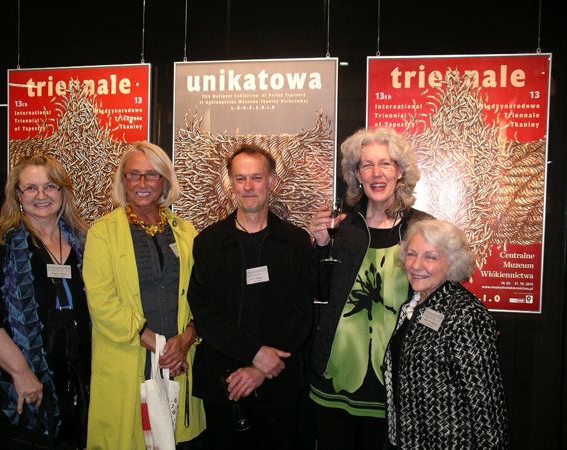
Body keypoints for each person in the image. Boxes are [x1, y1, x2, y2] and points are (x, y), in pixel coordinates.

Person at [308, 127, 431, 449]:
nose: (377, 173)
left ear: (400, 171)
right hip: (336, 376)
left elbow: (437, 301)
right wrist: (320, 247)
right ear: (357, 175)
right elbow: (318, 292)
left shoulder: (423, 229)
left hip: (395, 382)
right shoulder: (342, 228)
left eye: (385, 164)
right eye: (367, 165)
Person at [187, 143, 313, 450]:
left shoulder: (296, 242)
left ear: (271, 181)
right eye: (240, 178)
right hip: (225, 385)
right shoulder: (209, 243)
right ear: (230, 182)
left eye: (256, 178)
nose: (248, 186)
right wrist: (254, 352)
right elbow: (204, 311)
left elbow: (302, 311)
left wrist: (260, 368)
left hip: (279, 384)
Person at [83, 142, 205, 449]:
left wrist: (185, 339)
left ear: (164, 180)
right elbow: (102, 301)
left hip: (178, 362)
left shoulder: (186, 232)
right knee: (131, 439)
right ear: (122, 180)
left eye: (152, 174)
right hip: (128, 359)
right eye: (133, 174)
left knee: (175, 439)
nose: (142, 182)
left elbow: (202, 294)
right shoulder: (102, 233)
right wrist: (156, 343)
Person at [0, 154, 90, 449]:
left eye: (50, 186)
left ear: (63, 192)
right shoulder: (0, 241)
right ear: (18, 196)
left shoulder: (83, 242)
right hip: (15, 386)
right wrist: (21, 373)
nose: (41, 195)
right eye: (31, 188)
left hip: (71, 382)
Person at [383, 219, 509, 448]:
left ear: (451, 263)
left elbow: (486, 407)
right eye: (411, 254)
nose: (416, 265)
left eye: (430, 257)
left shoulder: (466, 314)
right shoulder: (411, 306)